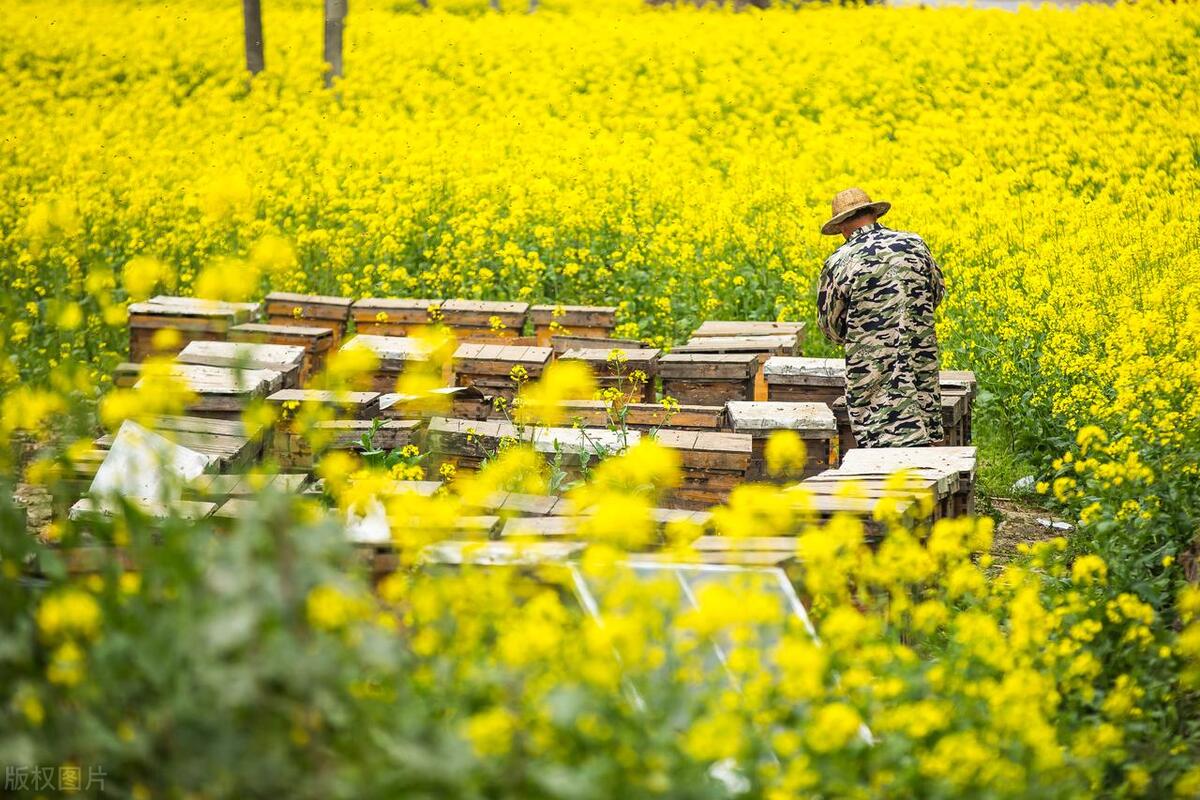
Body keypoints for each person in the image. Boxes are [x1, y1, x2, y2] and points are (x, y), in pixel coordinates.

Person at [816, 187, 945, 448]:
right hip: (920, 366)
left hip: (872, 377)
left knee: (882, 451)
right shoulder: (915, 244)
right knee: (923, 448)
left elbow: (830, 326)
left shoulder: (840, 261)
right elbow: (937, 293)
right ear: (873, 214)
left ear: (841, 226)